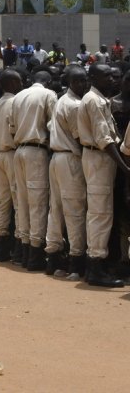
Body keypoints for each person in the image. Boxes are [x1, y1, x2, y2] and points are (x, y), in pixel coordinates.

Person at [79, 64, 130, 287]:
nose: (112, 79)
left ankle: (98, 265)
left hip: (97, 158)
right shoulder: (94, 100)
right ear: (93, 78)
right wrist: (125, 167)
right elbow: (105, 139)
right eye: (106, 76)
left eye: (112, 75)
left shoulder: (99, 99)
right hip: (99, 158)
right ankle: (96, 268)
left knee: (101, 212)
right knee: (100, 214)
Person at [46, 65, 88, 279]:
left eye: (84, 80)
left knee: (57, 209)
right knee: (75, 210)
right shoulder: (74, 105)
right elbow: (80, 138)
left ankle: (53, 258)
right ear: (70, 82)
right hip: (70, 158)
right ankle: (76, 261)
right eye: (78, 81)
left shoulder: (61, 100)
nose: (82, 84)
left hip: (56, 157)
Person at [11, 70, 56, 271]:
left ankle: (25, 249)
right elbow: (52, 125)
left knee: (22, 202)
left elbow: (12, 127)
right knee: (37, 203)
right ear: (48, 82)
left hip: (18, 150)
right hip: (36, 150)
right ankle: (35, 254)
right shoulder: (48, 95)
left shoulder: (18, 96)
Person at [0, 70, 22, 262]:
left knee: (2, 203)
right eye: (18, 80)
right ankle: (18, 249)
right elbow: (15, 130)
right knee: (18, 202)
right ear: (10, 82)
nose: (21, 83)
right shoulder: (14, 102)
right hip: (11, 153)